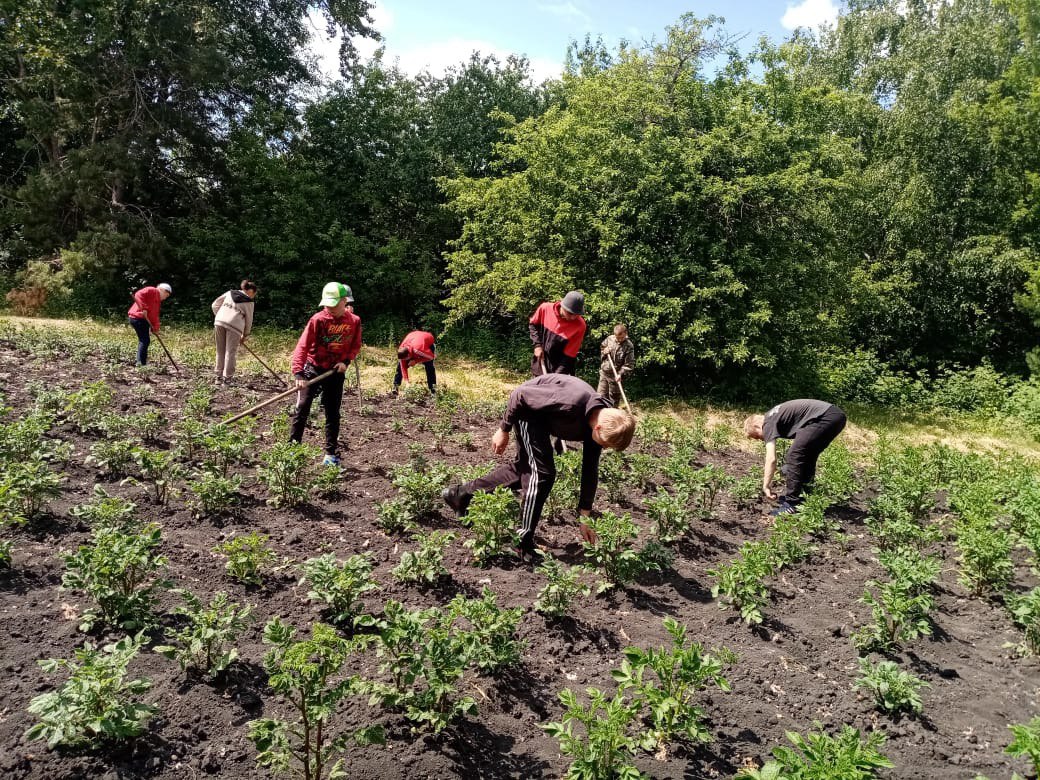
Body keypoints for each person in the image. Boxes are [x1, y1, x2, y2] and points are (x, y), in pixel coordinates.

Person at [442, 373, 637, 561]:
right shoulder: (572, 403)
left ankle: (459, 495)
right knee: (542, 474)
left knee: (523, 471)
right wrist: (504, 429)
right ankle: (521, 541)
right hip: (529, 413)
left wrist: (585, 515)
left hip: (543, 421)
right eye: (605, 444)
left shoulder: (601, 420)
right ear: (598, 428)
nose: (604, 447)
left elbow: (590, 469)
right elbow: (521, 394)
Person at [289, 283, 362, 466]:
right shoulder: (318, 320)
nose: (329, 308)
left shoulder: (354, 321)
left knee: (332, 412)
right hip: (313, 368)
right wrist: (298, 373)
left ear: (344, 301)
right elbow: (303, 346)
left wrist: (345, 362)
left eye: (334, 304)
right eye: (327, 304)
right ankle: (292, 449)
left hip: (335, 371)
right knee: (303, 406)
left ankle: (330, 454)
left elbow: (355, 345)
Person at [744, 399, 848, 516]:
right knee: (808, 456)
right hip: (834, 415)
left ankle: (791, 503)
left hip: (824, 417)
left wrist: (766, 485)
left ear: (757, 426)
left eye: (757, 436)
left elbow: (771, 459)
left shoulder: (767, 423)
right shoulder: (773, 416)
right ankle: (806, 497)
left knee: (794, 455)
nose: (761, 439)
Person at [529, 290, 587, 376]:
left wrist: (557, 376)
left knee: (555, 388)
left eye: (576, 314)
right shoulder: (545, 308)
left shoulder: (580, 325)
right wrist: (537, 346)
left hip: (561, 366)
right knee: (538, 387)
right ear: (562, 306)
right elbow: (533, 325)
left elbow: (569, 355)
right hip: (542, 361)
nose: (573, 317)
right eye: (570, 313)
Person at [211, 280, 257, 384]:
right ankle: (227, 379)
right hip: (234, 326)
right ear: (250, 291)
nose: (254, 296)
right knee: (230, 352)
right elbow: (249, 320)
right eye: (254, 294)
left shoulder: (230, 293)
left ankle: (218, 377)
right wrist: (245, 335)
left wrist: (220, 316)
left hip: (219, 322)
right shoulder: (249, 302)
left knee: (220, 350)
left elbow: (214, 305)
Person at [127, 283, 172, 366]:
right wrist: (144, 308)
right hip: (137, 317)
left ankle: (141, 362)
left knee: (144, 340)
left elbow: (154, 316)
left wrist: (155, 328)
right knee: (144, 340)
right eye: (166, 294)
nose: (165, 297)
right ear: (161, 290)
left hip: (142, 320)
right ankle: (141, 363)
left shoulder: (158, 302)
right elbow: (138, 294)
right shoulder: (152, 290)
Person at [598, 324, 635, 407]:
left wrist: (620, 374)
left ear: (625, 333)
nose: (618, 340)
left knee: (613, 400)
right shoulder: (610, 339)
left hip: (615, 376)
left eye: (621, 338)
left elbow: (629, 364)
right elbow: (602, 347)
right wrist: (604, 351)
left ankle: (613, 417)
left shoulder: (629, 346)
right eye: (617, 338)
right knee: (600, 397)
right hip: (604, 372)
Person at [393, 330, 437, 395]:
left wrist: (416, 361)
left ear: (409, 355)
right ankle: (395, 386)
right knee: (399, 366)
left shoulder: (419, 350)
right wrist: (407, 382)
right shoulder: (402, 350)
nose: (404, 361)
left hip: (427, 341)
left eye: (406, 359)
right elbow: (403, 367)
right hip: (413, 336)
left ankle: (433, 389)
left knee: (429, 366)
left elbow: (431, 357)